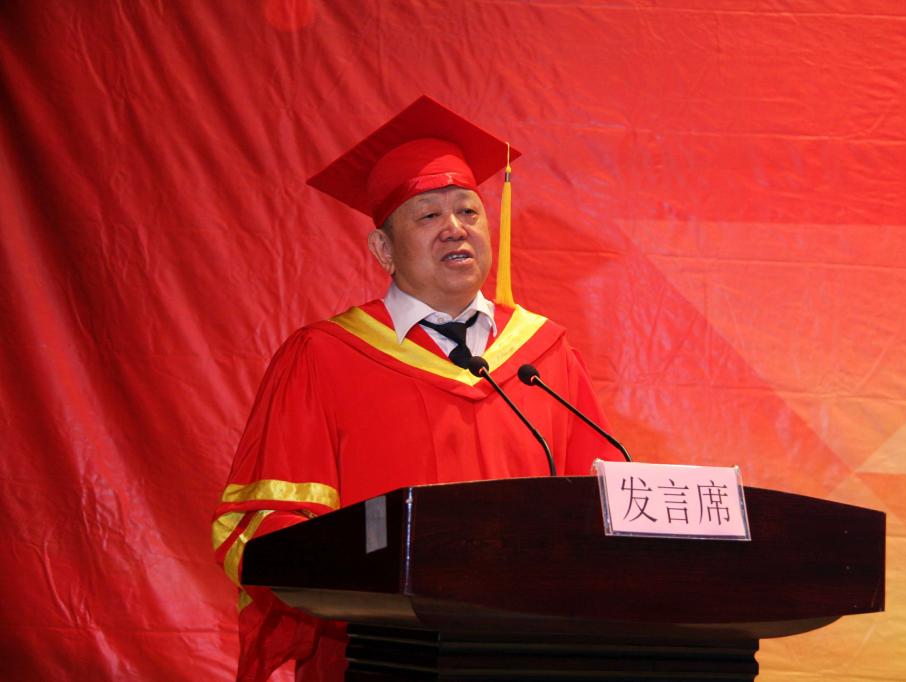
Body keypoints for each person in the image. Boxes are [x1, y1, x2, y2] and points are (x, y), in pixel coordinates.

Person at [211, 96, 619, 681]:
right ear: (382, 249)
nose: (455, 228)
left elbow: (602, 507)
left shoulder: (544, 355)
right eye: (428, 216)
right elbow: (266, 525)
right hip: (375, 655)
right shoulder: (324, 357)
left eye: (468, 211)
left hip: (528, 655)